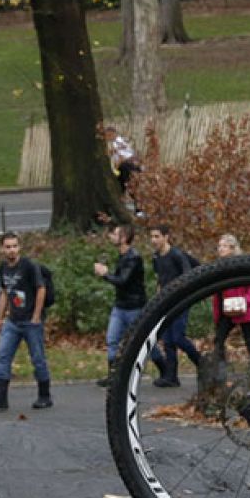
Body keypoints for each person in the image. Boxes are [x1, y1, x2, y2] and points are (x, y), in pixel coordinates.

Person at [0, 232, 52, 410]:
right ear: (2, 249)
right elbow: (4, 293)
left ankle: (44, 395)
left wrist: (36, 316)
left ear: (19, 247)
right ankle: (0, 396)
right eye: (8, 247)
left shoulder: (28, 266)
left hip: (30, 321)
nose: (12, 250)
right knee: (3, 356)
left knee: (37, 358)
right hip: (13, 321)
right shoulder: (3, 267)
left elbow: (41, 289)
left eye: (14, 246)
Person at [147, 224, 203, 387]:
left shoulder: (177, 255)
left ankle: (201, 363)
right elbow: (160, 278)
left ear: (166, 237)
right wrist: (159, 296)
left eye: (157, 236)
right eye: (152, 237)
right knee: (167, 339)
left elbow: (188, 275)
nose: (154, 240)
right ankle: (171, 377)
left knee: (178, 337)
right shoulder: (156, 257)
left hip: (180, 301)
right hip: (166, 302)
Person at [93, 223, 147, 387]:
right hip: (120, 306)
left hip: (134, 306)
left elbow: (123, 280)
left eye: (115, 234)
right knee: (112, 339)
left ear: (124, 238)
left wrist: (105, 274)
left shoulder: (133, 258)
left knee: (140, 339)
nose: (111, 237)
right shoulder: (122, 256)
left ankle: (164, 367)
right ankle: (113, 376)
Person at [209, 234, 250, 379]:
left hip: (244, 308)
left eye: (224, 246)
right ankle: (219, 371)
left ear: (232, 248)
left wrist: (245, 300)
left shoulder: (243, 264)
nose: (220, 249)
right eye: (219, 246)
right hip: (227, 310)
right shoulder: (219, 267)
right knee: (219, 339)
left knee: (249, 341)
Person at [104, 126, 141, 193]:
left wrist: (115, 170)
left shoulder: (116, 142)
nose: (107, 138)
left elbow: (122, 159)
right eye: (106, 136)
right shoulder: (121, 140)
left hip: (127, 166)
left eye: (109, 135)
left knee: (124, 183)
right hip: (132, 165)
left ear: (114, 133)